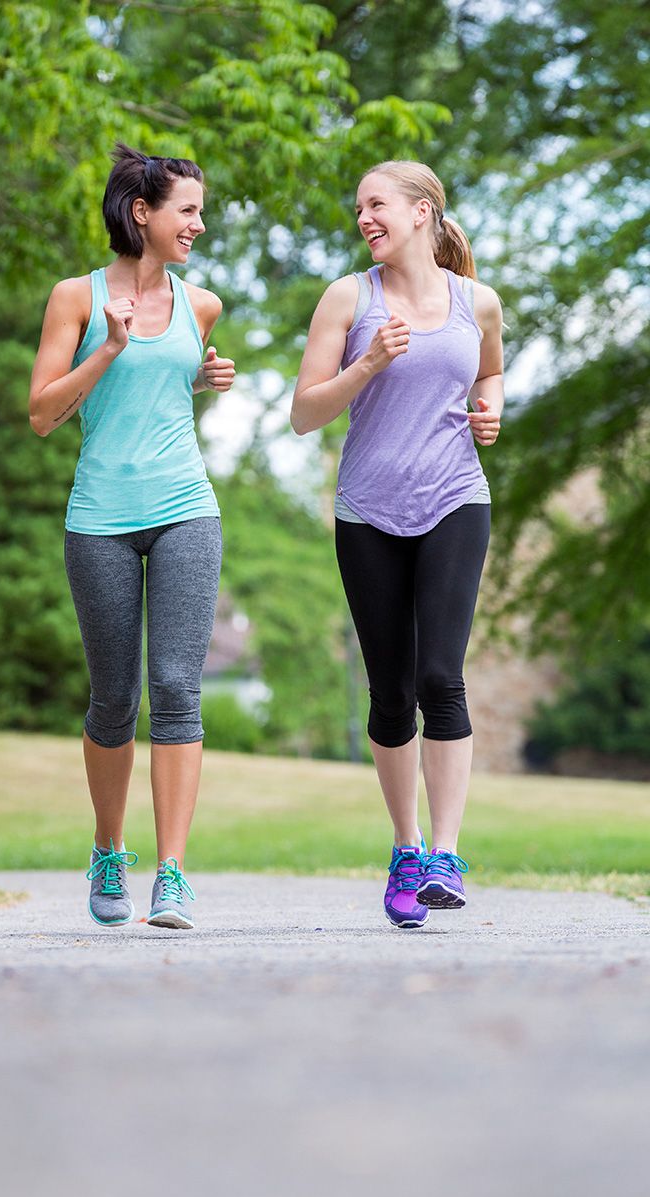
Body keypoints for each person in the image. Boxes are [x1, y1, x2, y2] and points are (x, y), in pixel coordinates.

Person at [291, 160, 504, 930]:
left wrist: (490, 412)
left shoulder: (477, 302)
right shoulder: (348, 298)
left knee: (441, 676)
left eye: (376, 205)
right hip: (368, 512)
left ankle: (446, 854)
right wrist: (369, 363)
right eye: (358, 209)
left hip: (455, 497)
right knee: (391, 694)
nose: (363, 219)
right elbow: (304, 415)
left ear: (422, 212)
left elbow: (492, 375)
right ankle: (407, 848)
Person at [29, 143, 235, 930]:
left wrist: (204, 383)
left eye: (200, 210)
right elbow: (44, 414)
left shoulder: (202, 303)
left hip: (186, 506)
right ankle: (109, 849)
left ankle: (173, 872)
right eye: (187, 209)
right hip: (100, 519)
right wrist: (109, 347)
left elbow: (162, 399)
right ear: (142, 212)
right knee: (115, 699)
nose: (199, 224)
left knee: (180, 689)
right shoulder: (74, 299)